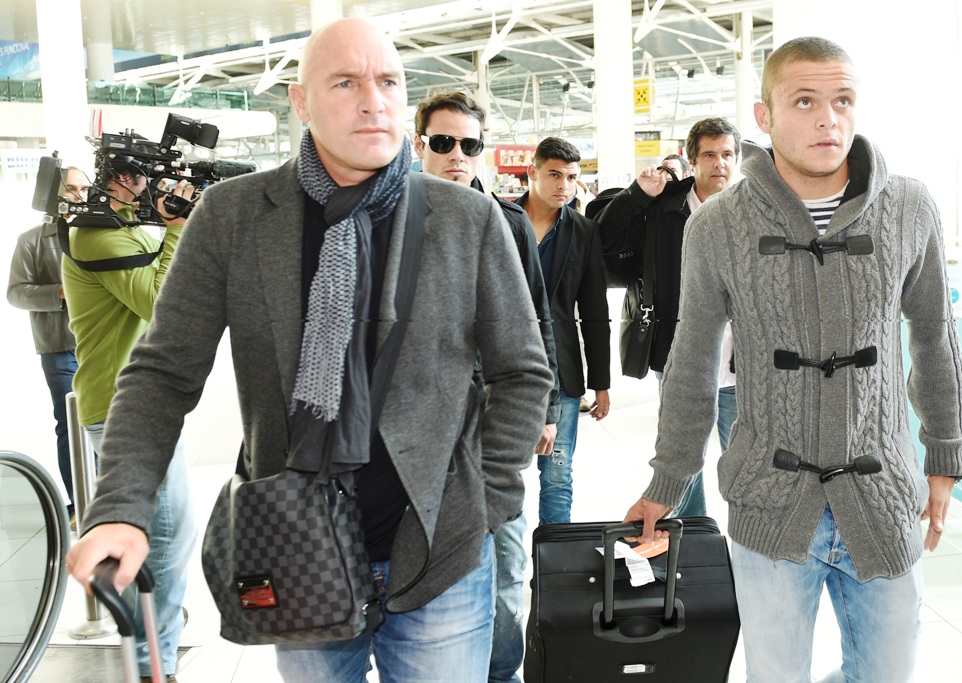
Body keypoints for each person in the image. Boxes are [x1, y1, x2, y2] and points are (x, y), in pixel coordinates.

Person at [66, 18, 553, 683]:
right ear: (301, 101)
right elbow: (161, 372)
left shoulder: (465, 217)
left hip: (440, 554)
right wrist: (120, 508)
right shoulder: (234, 215)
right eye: (345, 83)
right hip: (296, 544)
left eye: (388, 82)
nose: (373, 101)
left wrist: (485, 499)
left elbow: (521, 370)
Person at [624, 36, 962, 682]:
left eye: (843, 101)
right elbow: (693, 358)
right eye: (805, 101)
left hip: (882, 495)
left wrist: (944, 454)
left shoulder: (909, 206)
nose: (827, 119)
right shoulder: (717, 225)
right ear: (765, 116)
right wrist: (667, 479)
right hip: (770, 501)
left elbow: (933, 335)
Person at [413, 90, 559, 683]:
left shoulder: (509, 222)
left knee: (505, 560)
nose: (457, 155)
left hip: (497, 415)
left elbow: (539, 319)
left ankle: (500, 672)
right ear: (420, 144)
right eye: (443, 142)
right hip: (425, 426)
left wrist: (547, 408)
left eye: (469, 144)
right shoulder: (395, 220)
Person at [61, 159, 198, 683]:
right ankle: (149, 663)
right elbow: (160, 302)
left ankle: (157, 636)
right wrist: (177, 229)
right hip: (122, 408)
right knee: (165, 538)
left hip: (140, 402)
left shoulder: (122, 230)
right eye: (141, 175)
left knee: (167, 534)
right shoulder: (95, 235)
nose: (149, 185)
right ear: (119, 178)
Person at [597, 117, 741, 517]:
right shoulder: (662, 207)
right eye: (709, 155)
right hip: (679, 356)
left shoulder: (752, 209)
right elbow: (605, 240)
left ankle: (748, 538)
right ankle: (692, 536)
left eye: (727, 154)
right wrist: (636, 195)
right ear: (692, 160)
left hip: (742, 361)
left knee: (745, 461)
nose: (719, 163)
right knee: (681, 458)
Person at [517, 137, 610, 525]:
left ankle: (554, 563)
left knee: (557, 477)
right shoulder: (501, 220)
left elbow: (594, 310)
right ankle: (505, 563)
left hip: (564, 372)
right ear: (532, 172)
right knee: (501, 477)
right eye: (554, 175)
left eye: (571, 177)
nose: (564, 185)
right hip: (506, 369)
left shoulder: (583, 231)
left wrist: (600, 383)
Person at [7, 167, 88, 525]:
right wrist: (59, 292)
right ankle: (79, 504)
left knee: (109, 423)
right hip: (60, 347)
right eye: (71, 188)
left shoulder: (99, 232)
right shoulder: (31, 240)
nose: (79, 195)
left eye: (84, 188)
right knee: (71, 425)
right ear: (53, 192)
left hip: (102, 344)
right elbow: (15, 293)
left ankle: (107, 501)